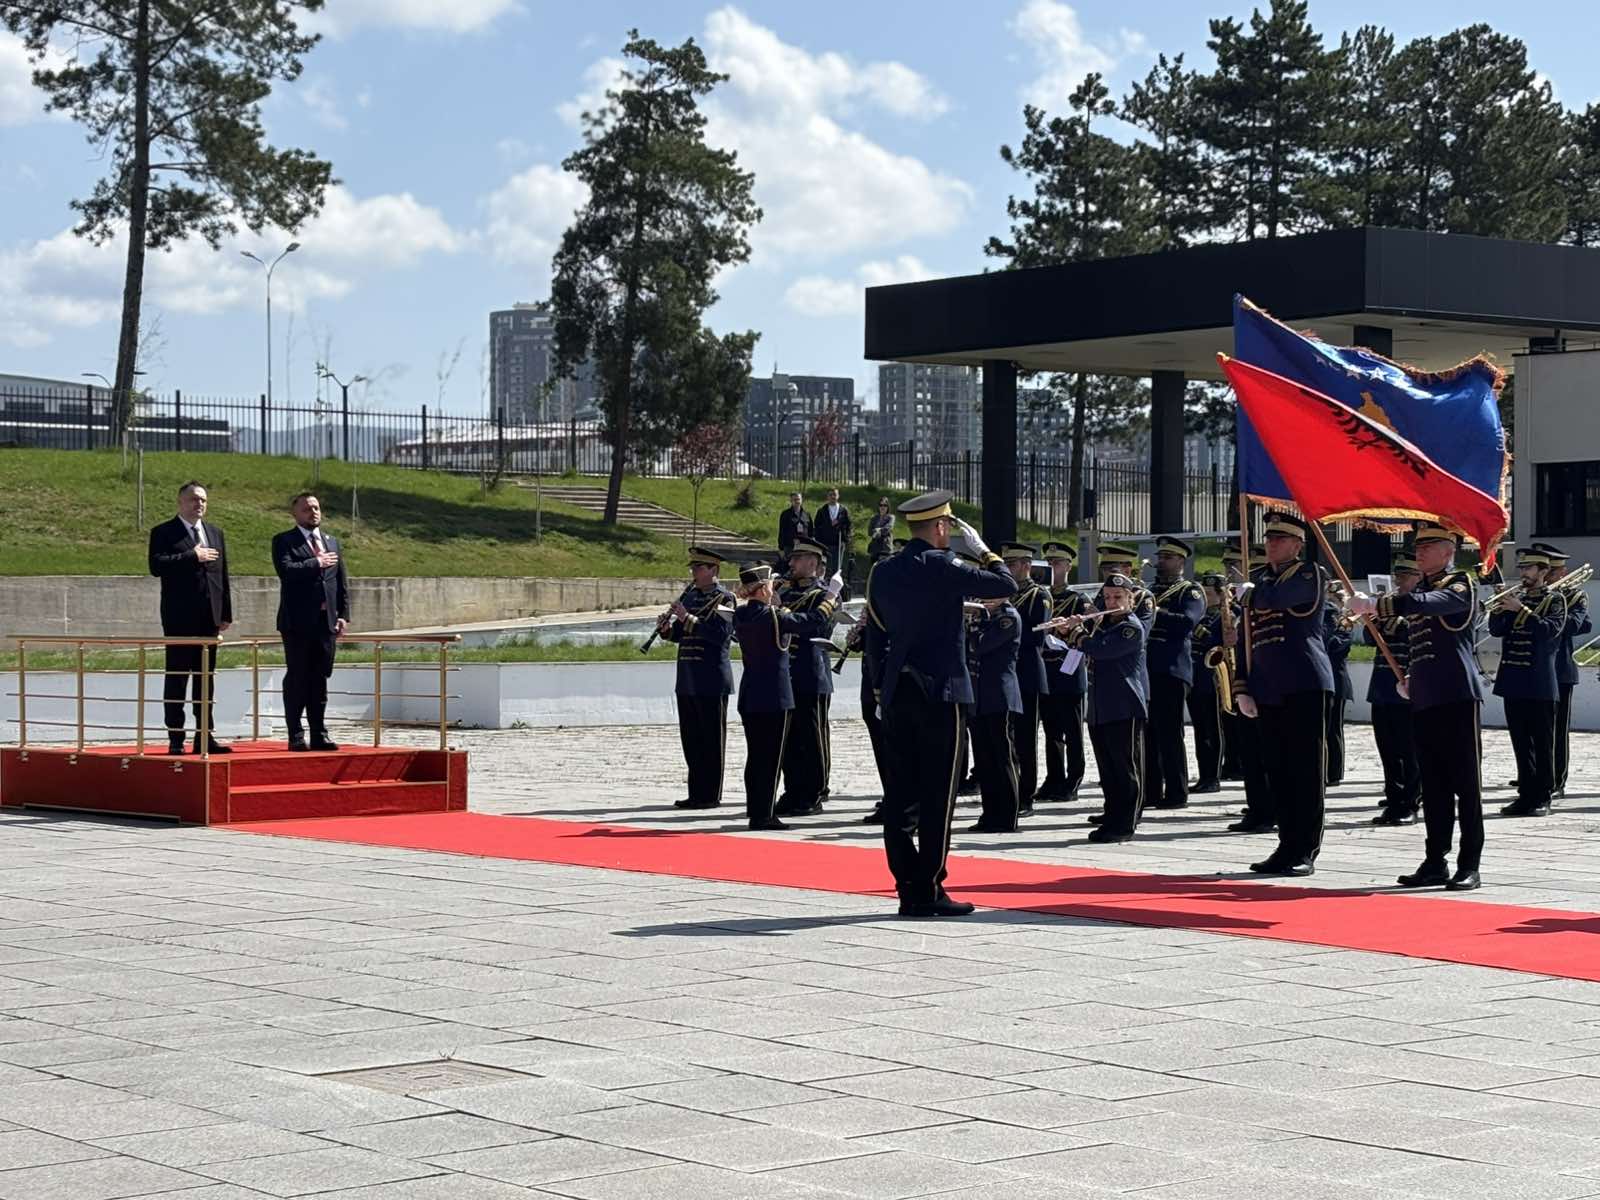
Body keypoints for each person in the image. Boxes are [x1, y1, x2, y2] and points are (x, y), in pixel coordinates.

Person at [864, 490, 1016, 918]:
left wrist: (879, 690)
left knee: (899, 796)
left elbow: (876, 637)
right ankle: (929, 887)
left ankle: (905, 885)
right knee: (937, 795)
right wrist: (984, 551)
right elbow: (1005, 586)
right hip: (941, 693)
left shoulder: (883, 571)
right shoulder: (944, 565)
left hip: (897, 692)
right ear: (942, 527)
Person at [1351, 522, 1483, 891]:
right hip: (1425, 695)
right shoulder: (1421, 588)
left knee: (1466, 784)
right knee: (1435, 784)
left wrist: (1379, 602)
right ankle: (1435, 860)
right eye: (1419, 547)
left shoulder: (1460, 583)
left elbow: (1436, 606)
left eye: (1429, 547)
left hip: (1457, 694)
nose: (1420, 552)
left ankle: (1469, 863)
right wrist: (1411, 677)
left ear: (1449, 550)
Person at [1232, 511, 1332, 877]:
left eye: (1280, 539)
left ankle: (1306, 848)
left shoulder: (1309, 574)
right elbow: (1247, 639)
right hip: (1268, 687)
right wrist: (1242, 685)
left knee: (1306, 771)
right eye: (1269, 538)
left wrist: (1253, 594)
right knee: (1278, 771)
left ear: (1297, 545)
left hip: (1304, 682)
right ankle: (1285, 844)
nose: (1271, 544)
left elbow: (1283, 599)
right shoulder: (1258, 583)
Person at [734, 563, 835, 831]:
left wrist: (779, 606)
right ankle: (763, 815)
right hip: (775, 697)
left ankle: (755, 808)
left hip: (750, 694)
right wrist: (831, 597)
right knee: (770, 760)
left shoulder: (741, 614)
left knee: (755, 757)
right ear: (764, 588)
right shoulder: (773, 617)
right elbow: (813, 621)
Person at [1053, 573, 1148, 843]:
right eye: (1107, 597)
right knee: (1108, 768)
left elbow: (1100, 650)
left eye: (1118, 597)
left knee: (1124, 767)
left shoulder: (1131, 626)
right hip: (1100, 707)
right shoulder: (1104, 624)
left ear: (1130, 599)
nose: (1112, 601)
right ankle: (1112, 816)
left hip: (1124, 705)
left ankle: (1125, 824)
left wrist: (1078, 632)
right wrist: (1067, 632)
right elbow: (1079, 654)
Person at [147, 480, 233, 755]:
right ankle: (176, 737)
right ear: (180, 502)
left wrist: (225, 612)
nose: (200, 504)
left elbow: (223, 576)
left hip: (209, 619)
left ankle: (204, 736)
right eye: (194, 499)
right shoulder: (164, 532)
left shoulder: (215, 533)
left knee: (205, 680)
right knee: (177, 678)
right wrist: (190, 555)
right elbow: (157, 566)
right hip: (179, 619)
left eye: (204, 500)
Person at [1491, 548, 1566, 818]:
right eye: (1522, 568)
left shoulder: (1555, 600)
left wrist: (1519, 609)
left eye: (1529, 569)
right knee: (1521, 742)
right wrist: (1499, 606)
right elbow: (1496, 630)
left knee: (1542, 743)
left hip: (1540, 683)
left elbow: (1548, 631)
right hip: (1513, 681)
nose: (1523, 573)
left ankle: (1542, 796)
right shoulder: (1516, 598)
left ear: (1543, 572)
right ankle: (1525, 795)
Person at [271, 494, 350, 751]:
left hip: (325, 623)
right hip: (297, 623)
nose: (312, 512)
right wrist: (315, 562)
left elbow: (341, 582)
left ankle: (319, 732)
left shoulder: (332, 543)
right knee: (297, 677)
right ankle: (295, 734)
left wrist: (343, 615)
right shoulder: (284, 541)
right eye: (306, 509)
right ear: (295, 514)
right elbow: (286, 570)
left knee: (320, 678)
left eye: (316, 507)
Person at [658, 547, 736, 810]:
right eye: (693, 568)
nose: (694, 573)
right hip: (688, 677)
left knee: (711, 739)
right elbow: (682, 633)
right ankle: (696, 792)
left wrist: (687, 618)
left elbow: (720, 634)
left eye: (699, 568)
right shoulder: (691, 596)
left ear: (713, 570)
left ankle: (710, 794)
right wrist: (667, 630)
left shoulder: (726, 599)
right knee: (691, 739)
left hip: (711, 678)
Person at [776, 539, 843, 816]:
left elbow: (815, 625)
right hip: (786, 673)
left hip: (811, 673)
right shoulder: (786, 592)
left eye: (797, 559)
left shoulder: (824, 595)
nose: (791, 564)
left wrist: (781, 611)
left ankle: (814, 791)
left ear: (812, 563)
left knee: (812, 737)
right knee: (789, 738)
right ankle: (793, 790)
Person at [1144, 535, 1206, 810]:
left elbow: (1187, 623)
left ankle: (1177, 791)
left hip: (1171, 668)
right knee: (1147, 733)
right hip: (1146, 668)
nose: (1161, 562)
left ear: (1181, 561)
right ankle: (1151, 791)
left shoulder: (1189, 591)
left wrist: (1155, 612)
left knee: (1169, 732)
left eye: (1167, 558)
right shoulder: (1148, 590)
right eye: (1160, 557)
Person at [1365, 551, 1422, 826]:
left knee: (1409, 750)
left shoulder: (1421, 604)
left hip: (1407, 685)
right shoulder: (1387, 605)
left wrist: (1396, 620)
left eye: (1404, 576)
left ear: (1418, 577)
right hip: (1382, 685)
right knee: (1387, 750)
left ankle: (1410, 802)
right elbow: (1368, 638)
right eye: (1397, 575)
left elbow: (1415, 636)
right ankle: (1394, 800)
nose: (1398, 581)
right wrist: (1372, 616)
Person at [1000, 543, 1051, 815]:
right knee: (1006, 737)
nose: (1007, 568)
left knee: (1025, 739)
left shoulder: (1037, 595)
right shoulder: (1003, 593)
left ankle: (1026, 796)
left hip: (1028, 673)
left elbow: (1037, 634)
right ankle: (1008, 791)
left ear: (1027, 566)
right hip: (1006, 674)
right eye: (1005, 563)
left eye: (1012, 564)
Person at [1535, 542, 1589, 798]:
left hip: (1560, 671)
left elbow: (1577, 625)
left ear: (1561, 573)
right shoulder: (1532, 596)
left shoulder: (1573, 596)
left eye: (1550, 573)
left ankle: (1557, 780)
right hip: (1533, 671)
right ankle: (1534, 775)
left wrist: (1550, 610)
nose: (1544, 577)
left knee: (1556, 730)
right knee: (1533, 729)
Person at [1037, 541, 1089, 804]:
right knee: (1052, 731)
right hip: (1047, 669)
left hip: (1069, 668)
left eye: (1057, 563)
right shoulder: (1041, 597)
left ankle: (1073, 779)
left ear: (1068, 566)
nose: (1052, 567)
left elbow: (1090, 631)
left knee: (1073, 731)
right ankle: (1054, 778)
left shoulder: (1078, 599)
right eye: (1048, 563)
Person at [968, 596, 1023, 832]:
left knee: (1003, 758)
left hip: (1000, 696)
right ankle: (990, 813)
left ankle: (1008, 815)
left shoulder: (1007, 617)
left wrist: (970, 623)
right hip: (980, 696)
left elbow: (980, 645)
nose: (983, 600)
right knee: (984, 759)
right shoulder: (986, 617)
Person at [1187, 573, 1227, 794]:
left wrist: (1200, 631)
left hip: (1213, 678)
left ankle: (1213, 776)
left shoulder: (1228, 615)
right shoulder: (1200, 615)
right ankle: (1204, 775)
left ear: (1221, 595)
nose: (1206, 597)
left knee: (1212, 729)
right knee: (1200, 730)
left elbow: (1220, 641)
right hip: (1196, 677)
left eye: (1210, 594)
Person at [1323, 583, 1354, 786]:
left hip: (1337, 680)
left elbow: (1336, 647)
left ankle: (1335, 772)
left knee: (1334, 729)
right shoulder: (1325, 621)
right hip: (1324, 682)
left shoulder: (1346, 624)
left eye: (1337, 599)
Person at [813, 487, 852, 597]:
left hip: (838, 543)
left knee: (837, 567)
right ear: (827, 497)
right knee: (825, 567)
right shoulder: (822, 510)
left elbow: (848, 525)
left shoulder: (843, 510)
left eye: (834, 494)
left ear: (838, 496)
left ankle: (836, 592)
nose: (833, 497)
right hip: (825, 543)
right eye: (830, 495)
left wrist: (846, 538)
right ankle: (824, 590)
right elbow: (817, 526)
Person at [778, 492, 812, 559]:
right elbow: (782, 532)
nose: (797, 501)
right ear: (791, 501)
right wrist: (781, 548)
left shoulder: (807, 514)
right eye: (795, 499)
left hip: (804, 547)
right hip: (790, 547)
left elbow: (811, 531)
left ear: (801, 500)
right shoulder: (785, 514)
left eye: (798, 499)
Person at [866, 497, 895, 563]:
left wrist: (878, 530)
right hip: (874, 549)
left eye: (885, 505)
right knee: (874, 570)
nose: (883, 507)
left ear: (888, 507)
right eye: (881, 505)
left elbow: (888, 528)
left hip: (885, 549)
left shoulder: (891, 517)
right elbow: (869, 532)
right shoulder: (874, 518)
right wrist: (879, 531)